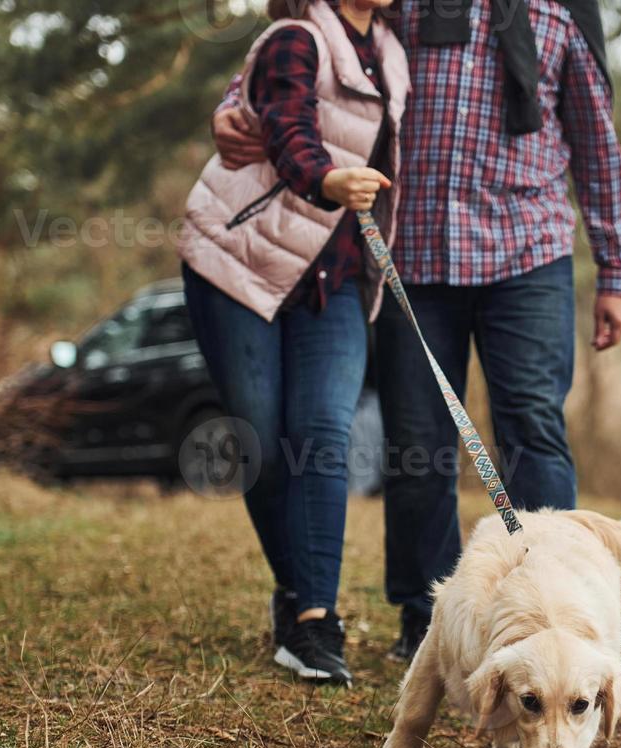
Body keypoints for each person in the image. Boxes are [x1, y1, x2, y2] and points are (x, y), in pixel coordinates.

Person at [213, 0, 621, 663]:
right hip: (413, 258)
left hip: (527, 255)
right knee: (417, 447)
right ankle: (428, 617)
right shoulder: (402, 9)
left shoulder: (555, 17)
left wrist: (617, 271)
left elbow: (596, 146)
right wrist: (230, 109)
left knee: (533, 428)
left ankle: (553, 613)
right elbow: (305, 56)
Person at [178, 0, 408, 686]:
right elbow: (286, 125)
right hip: (240, 263)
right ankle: (295, 590)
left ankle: (314, 621)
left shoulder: (395, 54)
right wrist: (328, 180)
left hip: (334, 277)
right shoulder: (294, 38)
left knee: (323, 434)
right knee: (261, 435)